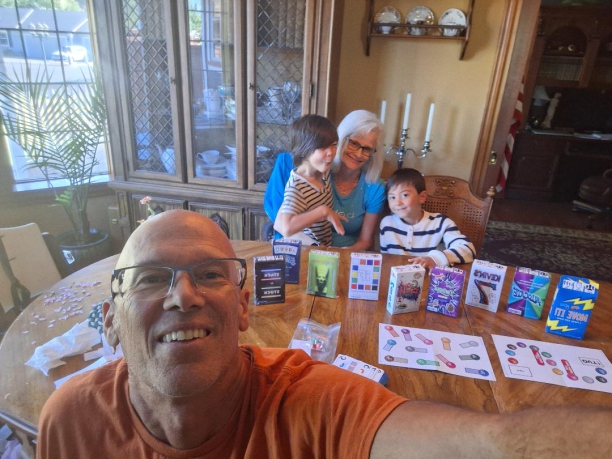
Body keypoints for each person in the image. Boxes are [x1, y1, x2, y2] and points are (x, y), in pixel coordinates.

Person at [38, 210, 612, 458]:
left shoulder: (313, 405)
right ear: (110, 319)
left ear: (243, 307)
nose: (182, 295)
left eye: (210, 274)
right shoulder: (70, 419)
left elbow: (491, 446)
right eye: (150, 278)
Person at [264, 110, 385, 251]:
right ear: (342, 138)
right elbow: (282, 225)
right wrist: (322, 213)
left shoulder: (374, 188)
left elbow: (365, 241)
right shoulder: (320, 170)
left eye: (367, 149)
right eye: (354, 143)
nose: (358, 154)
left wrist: (339, 255)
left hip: (345, 253)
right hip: (311, 250)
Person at [379, 168, 475, 269]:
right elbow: (386, 260)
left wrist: (435, 259)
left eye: (404, 195)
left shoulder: (441, 223)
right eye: (392, 197)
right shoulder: (387, 224)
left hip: (429, 276)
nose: (398, 202)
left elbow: (468, 250)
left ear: (422, 197)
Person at [273, 114, 347, 246]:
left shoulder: (323, 171)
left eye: (334, 145)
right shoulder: (297, 187)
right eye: (322, 147)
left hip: (323, 247)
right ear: (304, 149)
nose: (331, 152)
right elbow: (286, 228)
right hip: (306, 249)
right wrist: (323, 212)